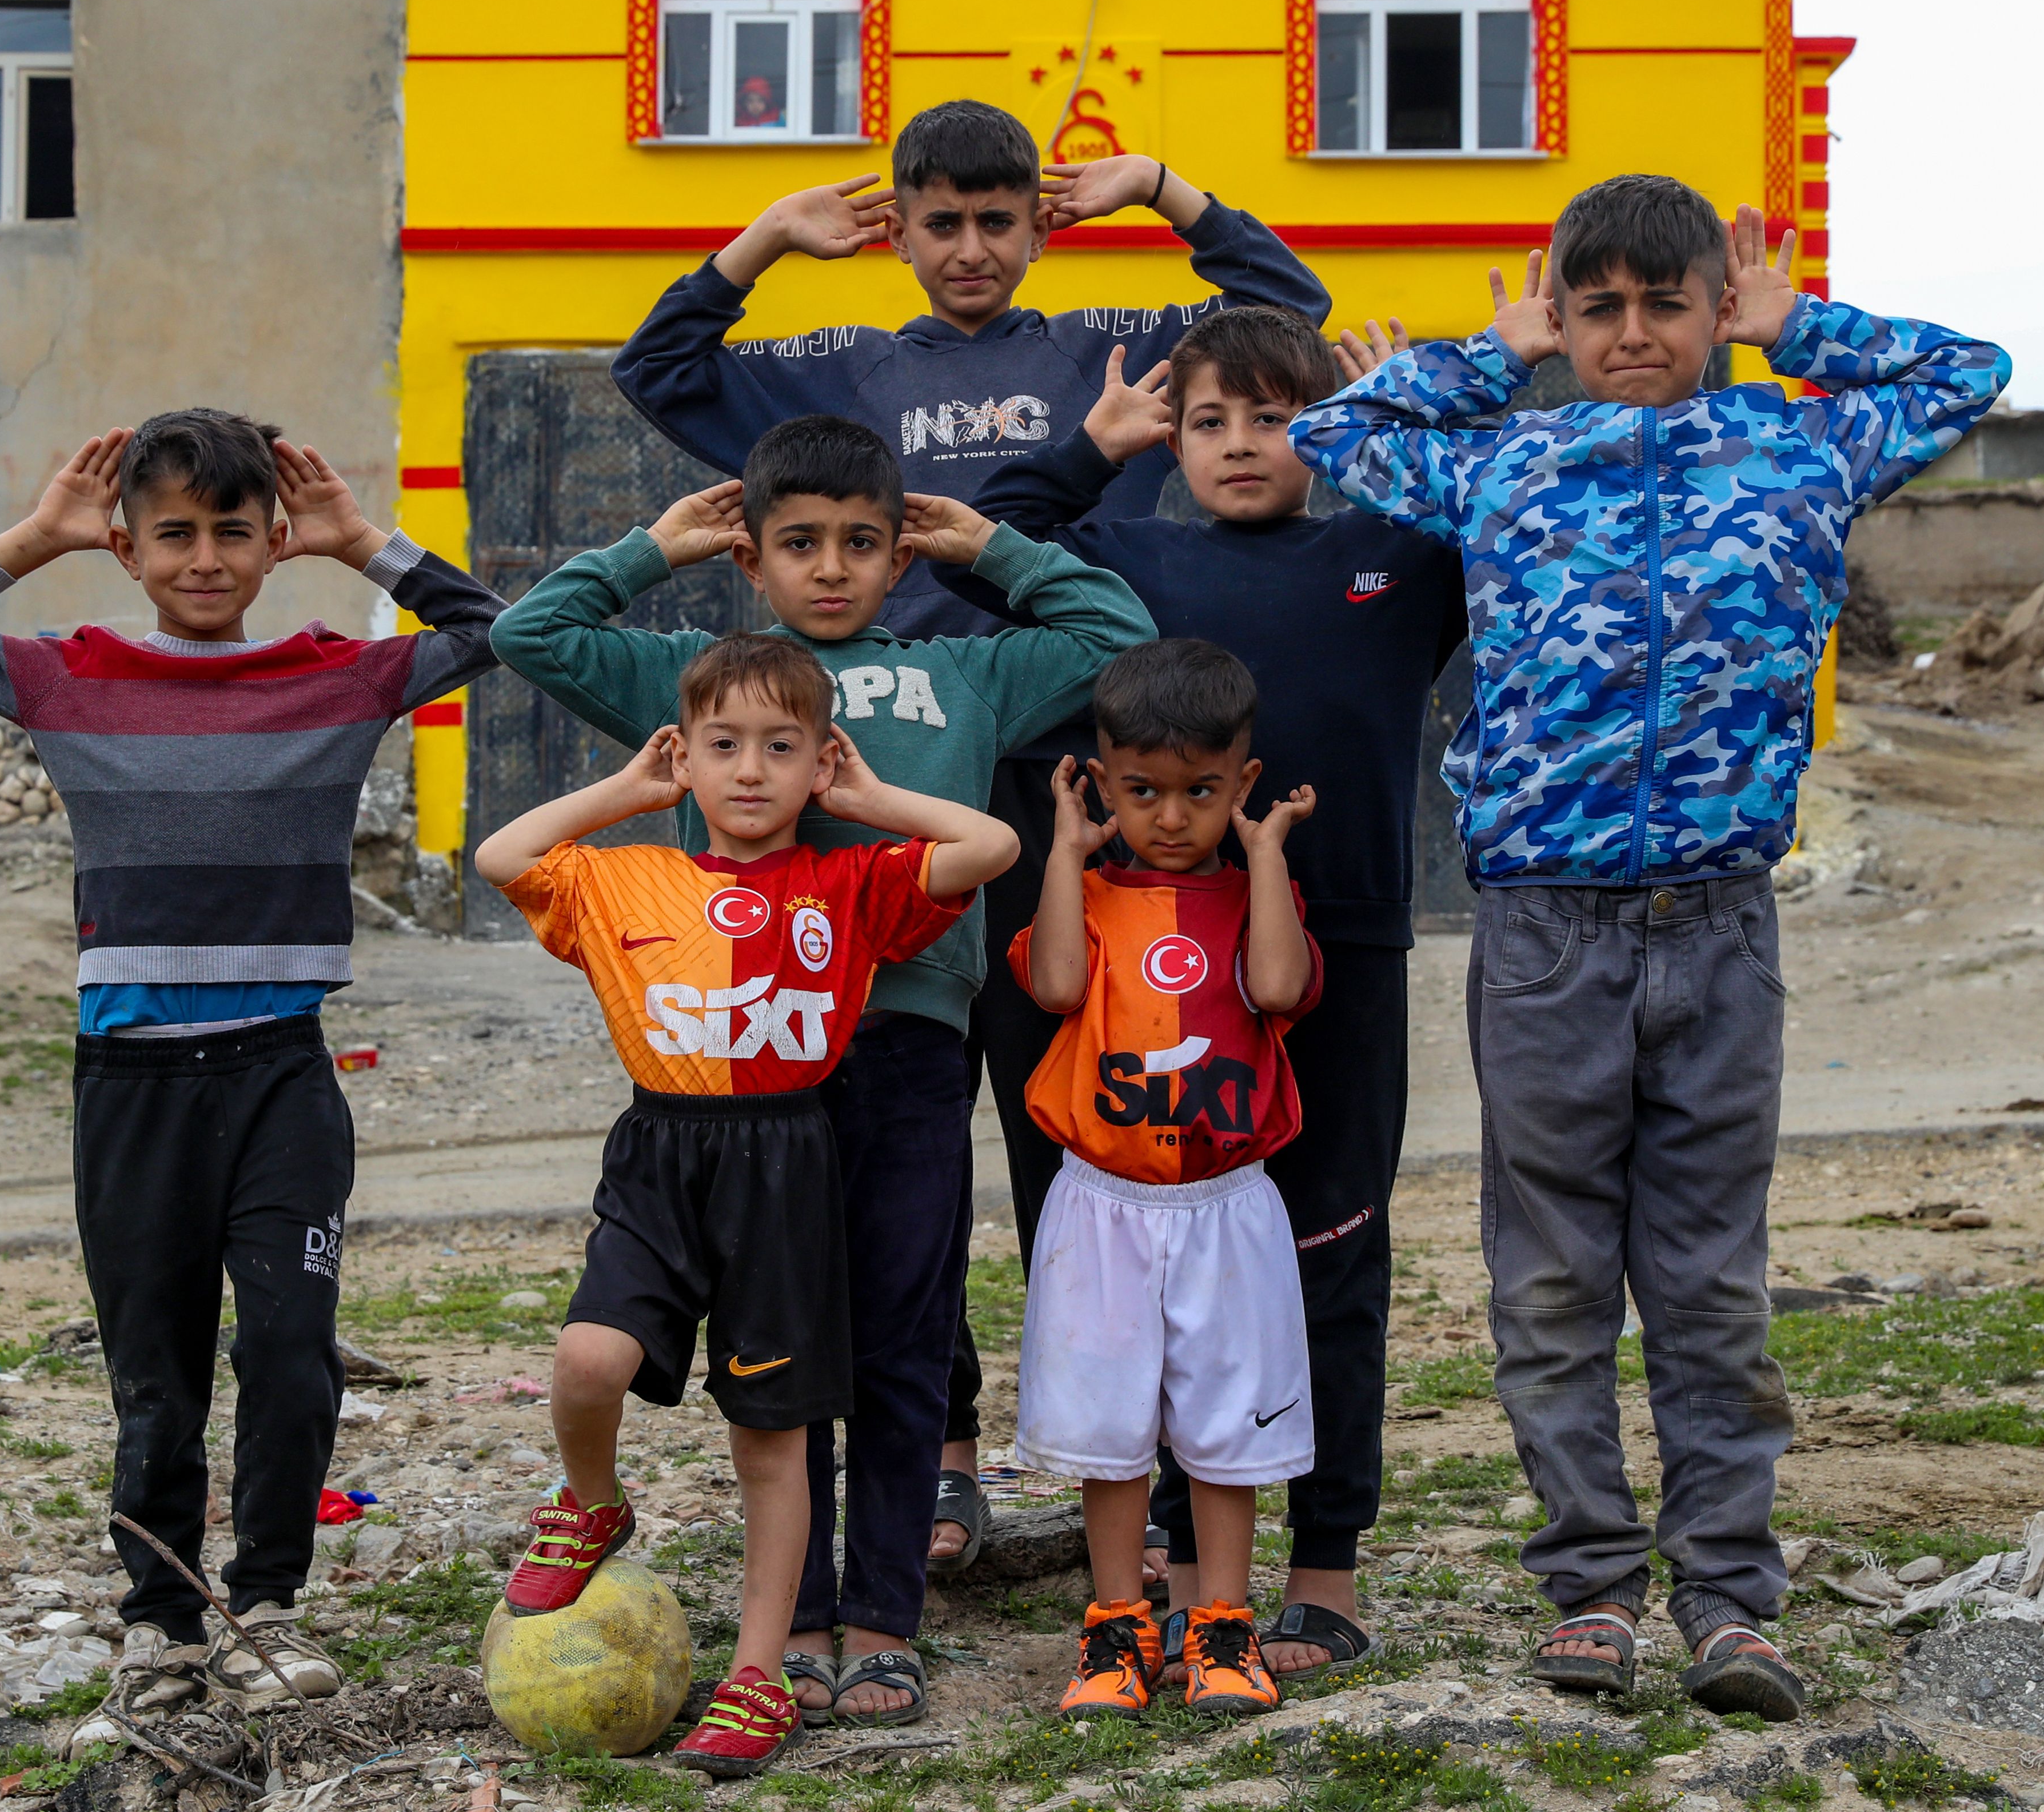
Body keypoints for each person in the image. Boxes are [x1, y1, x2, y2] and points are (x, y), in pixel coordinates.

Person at [1292, 179, 2011, 1719]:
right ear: (1562, 309)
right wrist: (1492, 355)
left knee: (1704, 1284)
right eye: (1595, 305)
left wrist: (1790, 325)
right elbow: (1331, 438)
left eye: (1662, 303)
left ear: (1708, 309)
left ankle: (1730, 1601)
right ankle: (1592, 1586)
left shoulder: (1802, 442)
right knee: (1548, 1281)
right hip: (1544, 933)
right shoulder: (1502, 462)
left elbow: (1970, 373)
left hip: (1718, 927)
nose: (1630, 333)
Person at [610, 97, 1332, 1580]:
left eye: (998, 219)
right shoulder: (845, 366)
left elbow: (1285, 316)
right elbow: (658, 368)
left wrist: (1163, 186)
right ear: (899, 222)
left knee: (1062, 1120)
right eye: (935, 220)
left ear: (1039, 223)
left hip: (1074, 793)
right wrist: (763, 241)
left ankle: (1106, 1447)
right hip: (883, 792)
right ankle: (937, 1460)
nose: (968, 248)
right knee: (908, 1138)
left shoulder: (1103, 347)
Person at [488, 415, 1149, 1726]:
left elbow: (1119, 646)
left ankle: (880, 1617)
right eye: (798, 544)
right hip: (742, 1071)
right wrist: (649, 547)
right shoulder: (701, 672)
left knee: (902, 1336)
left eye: (862, 542)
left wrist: (995, 547)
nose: (832, 569)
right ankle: (783, 1625)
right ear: (752, 557)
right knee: (776, 1352)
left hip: (903, 1044)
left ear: (900, 551)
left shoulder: (964, 675)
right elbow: (530, 639)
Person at [0, 410, 505, 1714]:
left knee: (286, 1346)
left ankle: (265, 1606)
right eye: (174, 533)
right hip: (133, 1087)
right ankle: (159, 1619)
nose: (205, 557)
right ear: (129, 547)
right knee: (153, 1372)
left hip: (281, 1075)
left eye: (233, 530)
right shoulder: (66, 673)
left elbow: (509, 634)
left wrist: (364, 543)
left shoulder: (339, 674)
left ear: (274, 540)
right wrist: (36, 538)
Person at [945, 305, 1465, 1678]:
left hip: (1330, 946)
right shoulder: (1120, 554)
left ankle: (1326, 1565)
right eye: (1208, 420)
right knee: (1142, 1271)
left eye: (1278, 418)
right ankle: (1177, 1571)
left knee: (1328, 1255)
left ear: (1324, 430)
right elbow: (977, 549)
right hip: (1123, 962)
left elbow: (1506, 524)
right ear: (1167, 438)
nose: (1241, 446)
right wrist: (1084, 450)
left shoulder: (1396, 555)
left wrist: (1409, 423)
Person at [472, 634, 1017, 1779]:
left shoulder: (852, 882)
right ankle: (593, 1502)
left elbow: (988, 844)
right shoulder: (625, 876)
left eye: (782, 749)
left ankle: (759, 1674)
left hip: (788, 1170)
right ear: (687, 756)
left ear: (819, 761)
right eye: (722, 746)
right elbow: (502, 853)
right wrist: (631, 789)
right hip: (662, 1160)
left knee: (769, 1438)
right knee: (585, 1360)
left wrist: (865, 798)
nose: (752, 771)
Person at [1009, 638, 1323, 1721]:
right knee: (1108, 1427)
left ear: (1240, 784)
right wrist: (1063, 851)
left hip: (1225, 1206)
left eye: (1200, 793)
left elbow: (1279, 986)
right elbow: (1052, 986)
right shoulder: (1089, 899)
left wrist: (1268, 851)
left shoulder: (1249, 901)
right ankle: (1116, 1633)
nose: (1172, 818)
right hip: (1103, 1200)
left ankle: (1225, 1629)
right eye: (1142, 792)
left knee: (1228, 1429)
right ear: (1102, 783)